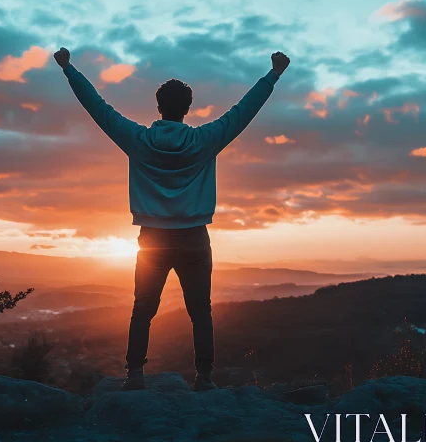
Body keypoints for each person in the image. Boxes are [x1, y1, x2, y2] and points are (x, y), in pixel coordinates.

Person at [54, 47, 289, 391]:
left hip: (151, 240)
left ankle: (134, 376)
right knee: (200, 312)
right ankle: (204, 379)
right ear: (187, 108)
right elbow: (243, 112)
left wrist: (69, 69)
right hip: (194, 238)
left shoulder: (138, 140)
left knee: (143, 308)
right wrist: (273, 75)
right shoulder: (204, 141)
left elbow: (98, 108)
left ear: (159, 106)